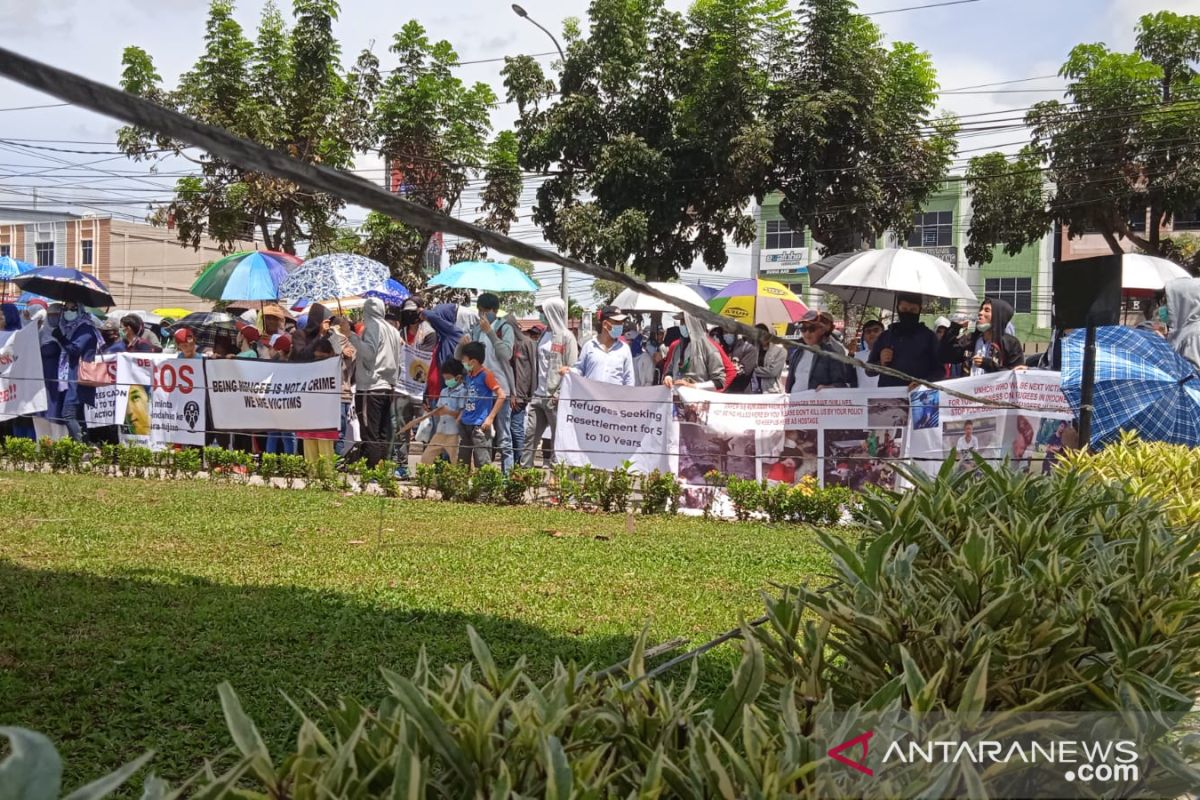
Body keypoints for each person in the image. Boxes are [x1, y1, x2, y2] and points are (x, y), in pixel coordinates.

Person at [455, 293, 516, 473]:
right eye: (480, 311)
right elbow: (461, 358)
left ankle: (507, 475)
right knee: (481, 434)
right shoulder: (475, 330)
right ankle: (485, 474)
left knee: (504, 436)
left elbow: (506, 354)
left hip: (499, 390)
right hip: (479, 391)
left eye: (485, 311)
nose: (482, 314)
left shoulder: (504, 328)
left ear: (494, 311)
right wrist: (462, 345)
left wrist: (490, 332)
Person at [524, 298, 578, 467]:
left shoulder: (567, 337)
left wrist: (560, 393)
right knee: (530, 435)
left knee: (558, 438)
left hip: (554, 397)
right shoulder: (543, 335)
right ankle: (524, 472)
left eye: (543, 311)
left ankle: (557, 476)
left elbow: (572, 368)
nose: (541, 315)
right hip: (538, 394)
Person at [349, 297, 402, 468]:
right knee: (382, 432)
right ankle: (383, 468)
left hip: (370, 387)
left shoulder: (372, 326)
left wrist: (351, 336)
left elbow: (369, 353)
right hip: (387, 386)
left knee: (369, 432)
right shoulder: (393, 330)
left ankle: (372, 471)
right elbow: (398, 360)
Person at [391, 298, 435, 473]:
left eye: (413, 312)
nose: (410, 315)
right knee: (401, 427)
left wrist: (406, 349)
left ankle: (426, 467)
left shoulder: (429, 332)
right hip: (401, 387)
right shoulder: (399, 332)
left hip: (422, 389)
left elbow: (424, 357)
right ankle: (401, 466)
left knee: (425, 428)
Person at [867, 294, 944, 388]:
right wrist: (881, 363)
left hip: (919, 396)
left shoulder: (929, 337)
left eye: (913, 310)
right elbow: (869, 371)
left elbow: (940, 371)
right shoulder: (885, 336)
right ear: (898, 308)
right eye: (904, 309)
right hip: (889, 397)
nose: (908, 313)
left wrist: (924, 383)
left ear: (919, 310)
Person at [50, 302, 101, 442]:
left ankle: (80, 448)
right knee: (78, 416)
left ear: (79, 310)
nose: (68, 311)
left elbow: (75, 350)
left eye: (72, 308)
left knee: (68, 414)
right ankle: (86, 447)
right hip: (71, 377)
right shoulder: (70, 328)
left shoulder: (85, 328)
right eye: (65, 308)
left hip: (78, 377)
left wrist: (61, 337)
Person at [939, 298, 1024, 376]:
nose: (980, 313)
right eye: (981, 310)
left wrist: (988, 364)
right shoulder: (972, 339)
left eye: (986, 310)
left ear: (998, 316)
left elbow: (1015, 375)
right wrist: (955, 328)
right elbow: (945, 355)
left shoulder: (1011, 343)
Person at [408, 358, 465, 465]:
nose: (446, 381)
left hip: (454, 434)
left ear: (458, 377)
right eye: (445, 378)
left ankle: (456, 481)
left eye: (449, 378)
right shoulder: (444, 391)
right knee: (426, 458)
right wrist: (432, 411)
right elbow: (438, 409)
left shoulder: (462, 392)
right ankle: (430, 480)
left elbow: (462, 413)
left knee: (456, 462)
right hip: (440, 431)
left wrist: (449, 412)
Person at [459, 341, 506, 469]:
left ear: (473, 361)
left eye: (464, 360)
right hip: (465, 423)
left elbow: (501, 395)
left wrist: (490, 418)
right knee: (462, 462)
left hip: (480, 425)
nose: (463, 362)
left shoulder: (486, 375)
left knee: (482, 462)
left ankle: (485, 489)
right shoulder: (469, 376)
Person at [786, 310, 856, 393]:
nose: (807, 333)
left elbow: (842, 385)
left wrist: (830, 388)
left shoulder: (832, 355)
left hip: (818, 404)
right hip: (795, 403)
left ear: (822, 330)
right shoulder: (796, 354)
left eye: (812, 329)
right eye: (803, 329)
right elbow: (791, 382)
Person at [662, 313, 726, 390]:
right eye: (681, 323)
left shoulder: (709, 348)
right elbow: (670, 370)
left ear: (693, 323)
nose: (681, 326)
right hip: (676, 397)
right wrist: (668, 377)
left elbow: (719, 381)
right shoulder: (678, 347)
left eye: (684, 322)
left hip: (698, 399)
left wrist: (693, 386)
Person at [262, 334, 298, 455]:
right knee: (283, 434)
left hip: (281, 404)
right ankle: (289, 463)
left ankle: (273, 462)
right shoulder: (292, 365)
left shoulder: (278, 366)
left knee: (279, 434)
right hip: (282, 404)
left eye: (271, 348)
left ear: (279, 351)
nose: (269, 351)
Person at [328, 316, 358, 457]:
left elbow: (352, 355)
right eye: (346, 323)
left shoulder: (350, 344)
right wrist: (335, 333)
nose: (350, 325)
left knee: (344, 429)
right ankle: (338, 458)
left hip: (346, 392)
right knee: (338, 429)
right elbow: (333, 349)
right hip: (335, 392)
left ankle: (340, 457)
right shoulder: (331, 341)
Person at [509, 322, 537, 466]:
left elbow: (530, 369)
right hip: (512, 393)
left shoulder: (524, 343)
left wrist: (525, 394)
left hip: (519, 394)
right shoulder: (510, 344)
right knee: (510, 429)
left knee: (516, 428)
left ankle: (519, 462)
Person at [1166, 277, 1200, 369]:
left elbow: (1193, 376)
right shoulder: (1187, 330)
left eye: (1169, 302)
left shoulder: (1194, 335)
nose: (1166, 306)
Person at [712, 326, 757, 393]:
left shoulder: (749, 349)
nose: (726, 335)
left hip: (741, 393)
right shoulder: (722, 349)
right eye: (725, 332)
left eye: (729, 332)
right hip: (724, 393)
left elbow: (743, 372)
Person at [749, 324, 787, 393]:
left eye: (764, 333)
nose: (762, 337)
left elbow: (773, 372)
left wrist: (754, 371)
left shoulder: (781, 350)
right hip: (755, 390)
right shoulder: (755, 349)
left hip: (772, 391)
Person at [852, 320, 884, 389]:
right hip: (861, 398)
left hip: (887, 397)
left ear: (883, 333)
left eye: (876, 330)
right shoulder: (857, 356)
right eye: (868, 331)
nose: (872, 334)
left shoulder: (891, 354)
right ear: (864, 336)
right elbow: (850, 379)